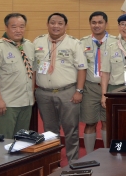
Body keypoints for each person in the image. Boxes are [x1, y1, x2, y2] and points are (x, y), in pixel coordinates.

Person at [33, 13, 87, 163]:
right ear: (47, 24)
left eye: (60, 23)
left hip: (68, 92)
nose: (56, 26)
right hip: (44, 93)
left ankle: (72, 162)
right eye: (52, 23)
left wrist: (79, 91)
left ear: (65, 26)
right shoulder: (38, 41)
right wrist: (33, 91)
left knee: (71, 130)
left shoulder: (74, 43)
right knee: (49, 132)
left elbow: (82, 69)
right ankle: (53, 162)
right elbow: (33, 69)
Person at [0, 13, 35, 139]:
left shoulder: (29, 45)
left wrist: (32, 94)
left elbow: (32, 72)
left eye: (22, 27)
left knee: (22, 141)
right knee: (5, 141)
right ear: (6, 27)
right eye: (14, 27)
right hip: (7, 104)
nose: (18, 30)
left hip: (26, 102)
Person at [79, 12, 117, 152]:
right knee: (90, 123)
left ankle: (107, 154)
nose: (97, 25)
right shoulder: (82, 43)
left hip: (110, 88)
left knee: (107, 122)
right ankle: (90, 154)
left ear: (106, 24)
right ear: (90, 24)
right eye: (93, 22)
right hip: (90, 87)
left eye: (100, 22)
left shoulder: (115, 41)